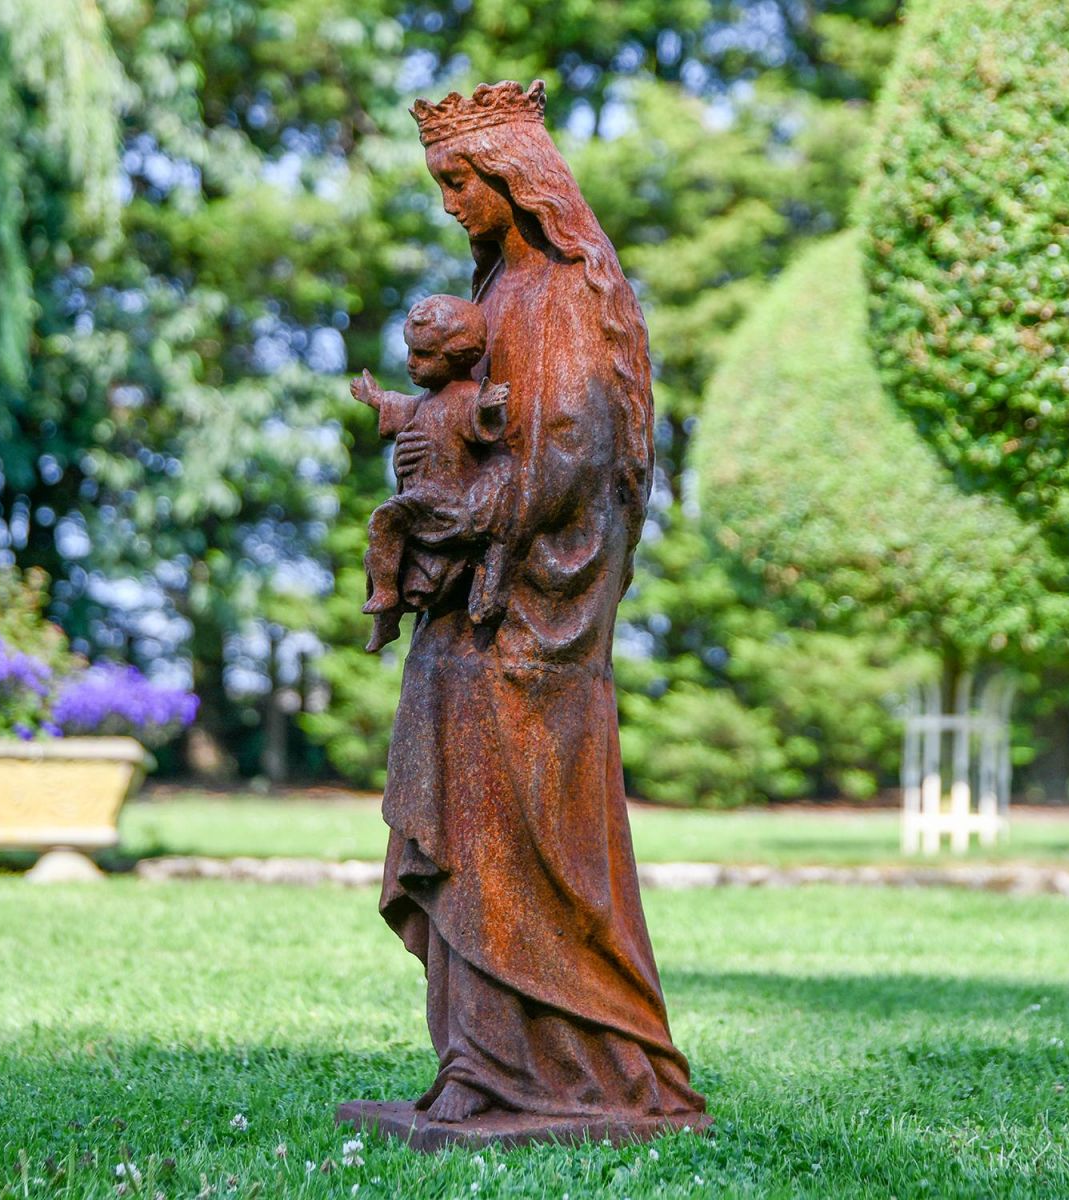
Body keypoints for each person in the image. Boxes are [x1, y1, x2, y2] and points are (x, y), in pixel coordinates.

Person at [377, 79, 706, 1127]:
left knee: (514, 836)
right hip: (479, 611)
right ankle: (479, 1060)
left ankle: (569, 1063)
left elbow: (566, 451)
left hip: (532, 619)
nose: (448, 203)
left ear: (516, 183)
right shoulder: (496, 297)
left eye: (459, 182)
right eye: (440, 183)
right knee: (469, 827)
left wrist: (458, 522)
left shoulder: (560, 296)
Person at [351, 293, 509, 653]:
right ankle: (386, 619)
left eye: (422, 355)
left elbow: (483, 424)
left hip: (444, 505)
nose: (411, 364)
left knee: (385, 521)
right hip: (420, 501)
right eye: (409, 352)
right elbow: (401, 407)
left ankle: (387, 595)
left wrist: (487, 408)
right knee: (378, 551)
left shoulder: (465, 398)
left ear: (458, 357)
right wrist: (374, 398)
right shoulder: (425, 402)